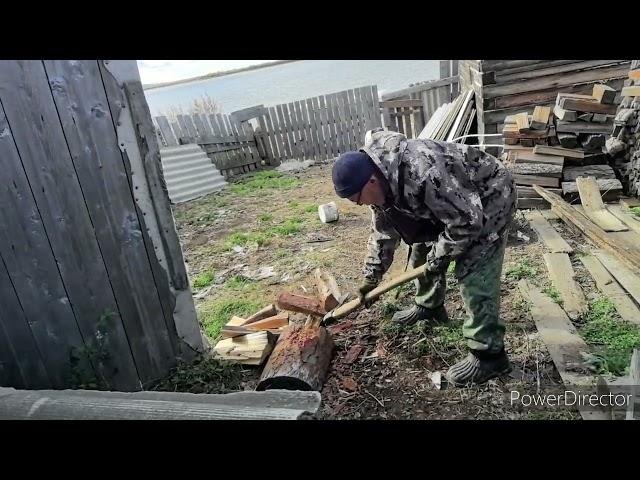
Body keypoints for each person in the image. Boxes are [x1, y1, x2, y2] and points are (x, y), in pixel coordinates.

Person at [331, 128, 517, 386]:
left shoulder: (423, 172)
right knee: (419, 246)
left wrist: (439, 258)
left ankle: (488, 355)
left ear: (371, 181)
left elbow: (466, 223)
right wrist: (371, 277)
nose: (359, 205)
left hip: (487, 195)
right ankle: (429, 307)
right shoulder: (378, 177)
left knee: (474, 267)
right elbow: (384, 232)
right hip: (450, 202)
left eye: (357, 199)